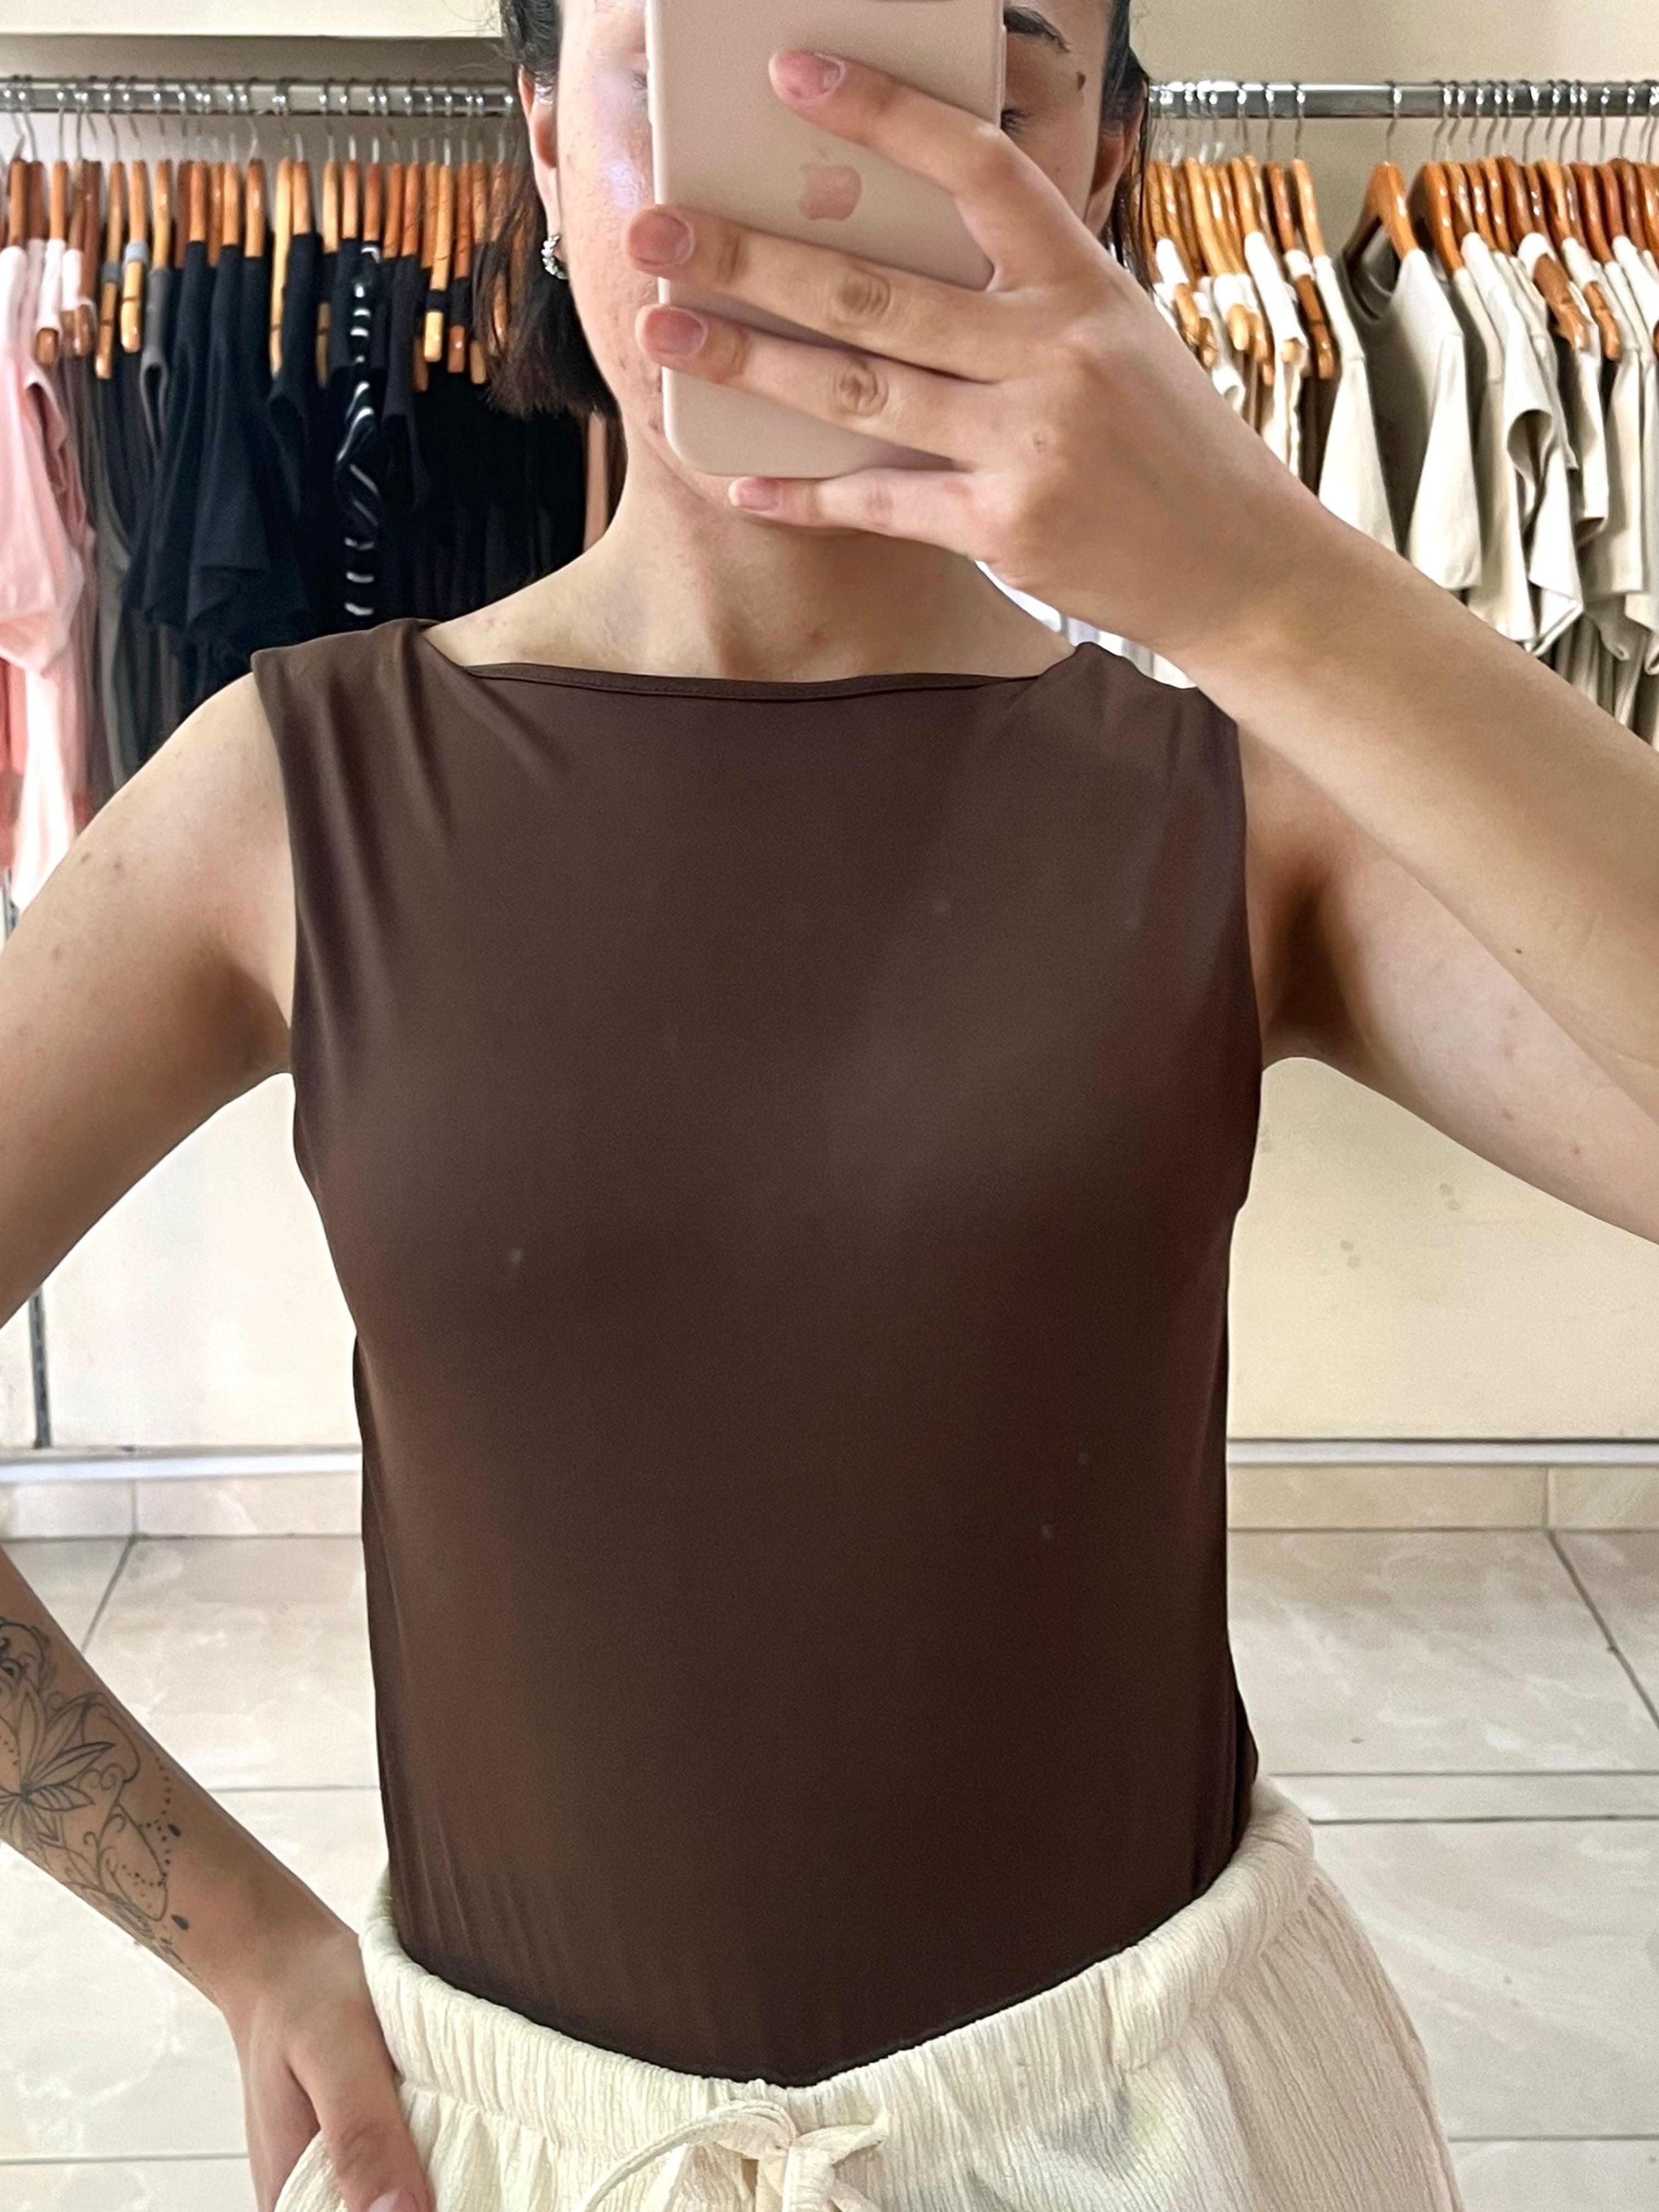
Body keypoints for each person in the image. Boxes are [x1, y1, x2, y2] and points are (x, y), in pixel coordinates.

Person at [3, 4, 1658, 2210]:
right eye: (703, 49)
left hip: (1163, 2131)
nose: (818, 158)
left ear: (1104, 164)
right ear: (547, 137)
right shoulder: (290, 801)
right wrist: (236, 1938)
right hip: (518, 2150)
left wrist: (1255, 578)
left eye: (974, 61)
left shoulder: (1249, 805)